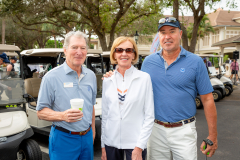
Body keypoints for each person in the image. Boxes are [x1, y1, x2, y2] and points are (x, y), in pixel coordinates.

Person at [103, 17, 218, 160]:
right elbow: (132, 84)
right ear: (159, 36)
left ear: (180, 34)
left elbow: (207, 100)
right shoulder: (149, 62)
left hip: (184, 131)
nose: (167, 36)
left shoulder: (196, 62)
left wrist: (212, 135)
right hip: (155, 131)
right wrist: (113, 74)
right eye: (163, 32)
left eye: (172, 31)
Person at [36, 31, 97, 160]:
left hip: (86, 137)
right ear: (65, 50)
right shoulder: (51, 77)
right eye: (74, 47)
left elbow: (90, 105)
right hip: (63, 138)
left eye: (83, 48)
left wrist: (92, 131)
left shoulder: (91, 76)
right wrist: (62, 116)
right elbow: (40, 112)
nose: (79, 52)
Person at [101, 37, 154, 160]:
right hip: (111, 142)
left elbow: (149, 116)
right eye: (119, 50)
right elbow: (105, 115)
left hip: (135, 143)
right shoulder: (107, 80)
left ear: (134, 54)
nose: (124, 54)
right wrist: (103, 146)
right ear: (114, 54)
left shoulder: (144, 78)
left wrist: (140, 146)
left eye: (129, 50)